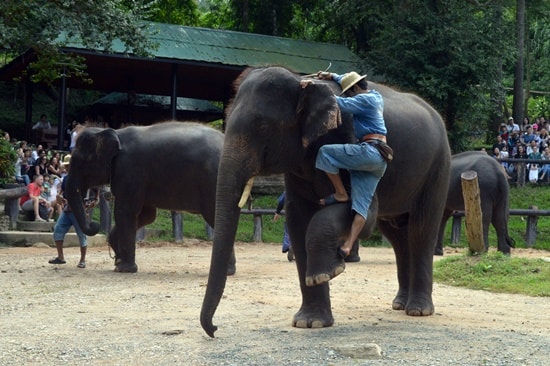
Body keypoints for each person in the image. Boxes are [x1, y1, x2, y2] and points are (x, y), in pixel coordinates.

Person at [301, 71, 390, 258]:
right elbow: (347, 81)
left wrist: (314, 87)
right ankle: (348, 246)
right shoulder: (376, 96)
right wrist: (331, 76)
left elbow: (339, 103)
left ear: (357, 88)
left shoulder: (365, 101)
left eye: (350, 91)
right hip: (379, 160)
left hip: (370, 152)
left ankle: (340, 193)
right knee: (361, 205)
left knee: (325, 153)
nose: (349, 94)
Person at [48, 154, 98, 268]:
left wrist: (95, 199)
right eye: (66, 166)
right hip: (67, 209)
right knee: (58, 230)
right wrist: (59, 196)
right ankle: (60, 257)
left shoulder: (83, 179)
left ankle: (82, 260)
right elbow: (61, 191)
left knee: (82, 235)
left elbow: (95, 188)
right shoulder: (66, 178)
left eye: (68, 166)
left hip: (79, 210)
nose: (66, 168)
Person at [273, 191, 293, 261]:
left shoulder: (289, 188)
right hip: (303, 213)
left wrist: (277, 212)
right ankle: (297, 249)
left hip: (291, 213)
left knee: (288, 232)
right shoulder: (307, 187)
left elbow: (282, 201)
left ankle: (289, 246)